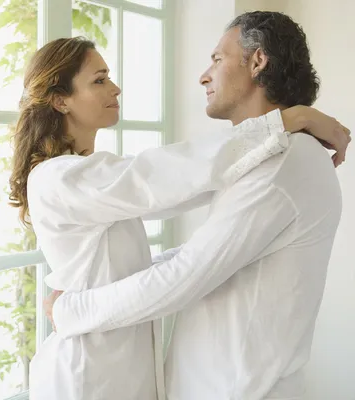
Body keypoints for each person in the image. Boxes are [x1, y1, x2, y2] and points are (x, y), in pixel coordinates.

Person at [44, 12, 350, 400]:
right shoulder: (270, 157)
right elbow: (183, 212)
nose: (204, 76)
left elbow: (187, 273)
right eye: (99, 80)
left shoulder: (285, 161)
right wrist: (294, 118)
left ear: (257, 62)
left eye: (217, 60)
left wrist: (73, 311)